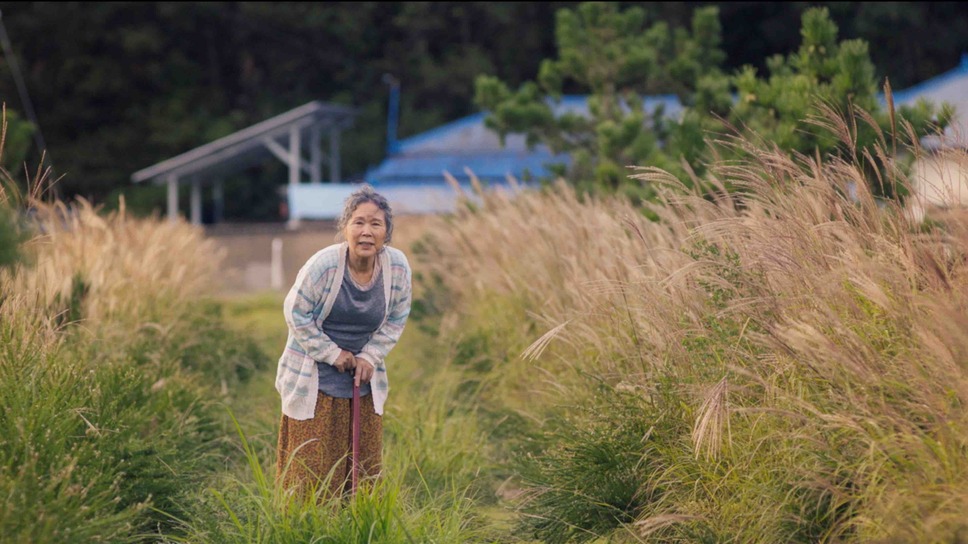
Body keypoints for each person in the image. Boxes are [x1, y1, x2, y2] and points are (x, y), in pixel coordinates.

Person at [275, 184, 411, 499]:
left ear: (386, 232)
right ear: (345, 228)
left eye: (376, 224)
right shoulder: (324, 265)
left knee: (361, 472)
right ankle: (306, 527)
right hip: (314, 376)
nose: (366, 231)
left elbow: (396, 319)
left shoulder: (397, 267)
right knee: (311, 470)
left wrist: (369, 357)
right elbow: (295, 313)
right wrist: (333, 353)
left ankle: (355, 526)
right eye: (358, 222)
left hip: (362, 378)